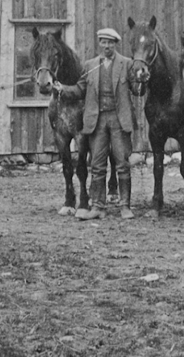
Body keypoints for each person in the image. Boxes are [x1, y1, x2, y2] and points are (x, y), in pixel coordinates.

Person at [53, 28, 136, 220]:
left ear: (115, 44)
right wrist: (62, 89)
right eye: (104, 42)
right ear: (100, 44)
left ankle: (125, 206)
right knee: (97, 165)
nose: (107, 46)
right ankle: (98, 207)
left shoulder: (126, 64)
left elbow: (137, 90)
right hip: (97, 121)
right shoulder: (90, 65)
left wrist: (141, 81)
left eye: (110, 43)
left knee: (122, 163)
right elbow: (79, 90)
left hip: (118, 120)